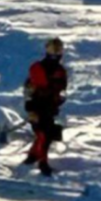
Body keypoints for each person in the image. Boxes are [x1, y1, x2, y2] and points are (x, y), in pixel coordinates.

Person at [22, 37, 68, 176]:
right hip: (37, 106)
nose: (56, 52)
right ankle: (42, 162)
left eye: (58, 49)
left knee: (45, 134)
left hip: (50, 107)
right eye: (54, 49)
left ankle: (33, 155)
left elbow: (61, 89)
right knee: (44, 135)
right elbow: (31, 90)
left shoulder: (60, 70)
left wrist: (58, 99)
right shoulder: (38, 68)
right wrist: (31, 109)